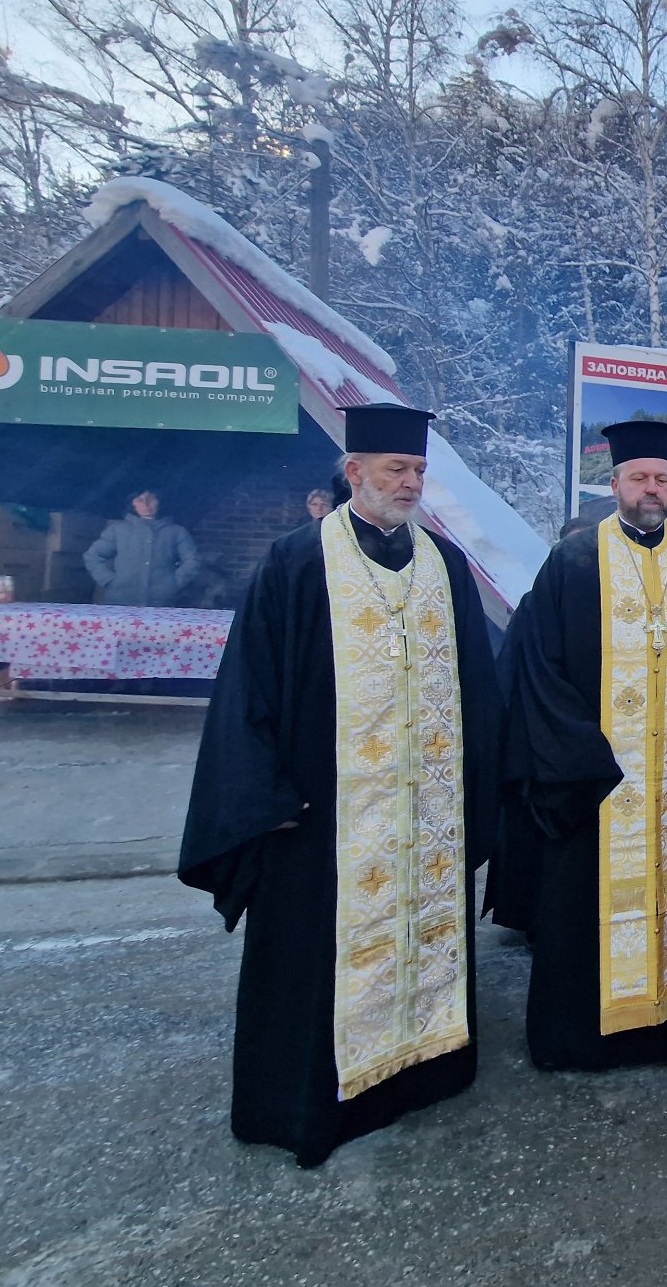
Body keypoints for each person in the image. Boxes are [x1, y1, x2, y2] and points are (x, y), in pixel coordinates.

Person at [176, 404, 502, 1168]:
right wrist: (268, 799)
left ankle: (424, 1069)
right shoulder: (297, 561)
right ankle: (309, 1104)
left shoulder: (444, 566)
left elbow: (479, 691)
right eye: (396, 469)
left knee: (426, 943)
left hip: (427, 817)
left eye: (418, 471)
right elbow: (249, 689)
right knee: (315, 962)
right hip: (322, 817)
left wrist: (482, 786)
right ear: (354, 473)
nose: (410, 483)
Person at [495, 420, 667, 1068]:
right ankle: (580, 1032)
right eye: (639, 477)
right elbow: (539, 671)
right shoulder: (574, 562)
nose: (651, 489)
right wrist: (579, 761)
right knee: (584, 904)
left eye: (662, 479)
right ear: (614, 484)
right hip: (596, 783)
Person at [83, 488, 201, 607]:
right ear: (133, 503)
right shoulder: (117, 529)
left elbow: (192, 560)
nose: (145, 504)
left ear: (159, 502)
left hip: (161, 601)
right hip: (120, 600)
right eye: (140, 500)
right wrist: (108, 580)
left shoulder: (176, 532)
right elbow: (93, 556)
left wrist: (173, 583)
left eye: (150, 499)